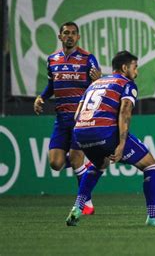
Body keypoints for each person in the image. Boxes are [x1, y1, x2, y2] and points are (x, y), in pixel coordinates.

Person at [65, 50, 155, 227]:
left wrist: (82, 138)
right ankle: (153, 217)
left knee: (98, 164)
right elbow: (124, 111)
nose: (136, 72)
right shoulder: (126, 84)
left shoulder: (96, 83)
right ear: (125, 67)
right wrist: (121, 143)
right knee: (151, 165)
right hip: (104, 132)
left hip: (80, 132)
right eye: (135, 67)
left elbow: (77, 114)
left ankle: (77, 207)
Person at [33, 21, 101, 215]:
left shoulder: (88, 59)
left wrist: (98, 80)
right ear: (60, 36)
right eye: (66, 33)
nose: (70, 36)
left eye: (73, 33)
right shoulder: (52, 60)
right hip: (61, 118)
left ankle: (85, 202)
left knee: (76, 157)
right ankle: (86, 168)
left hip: (81, 117)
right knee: (55, 163)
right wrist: (41, 97)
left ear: (78, 37)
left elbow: (99, 84)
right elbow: (52, 85)